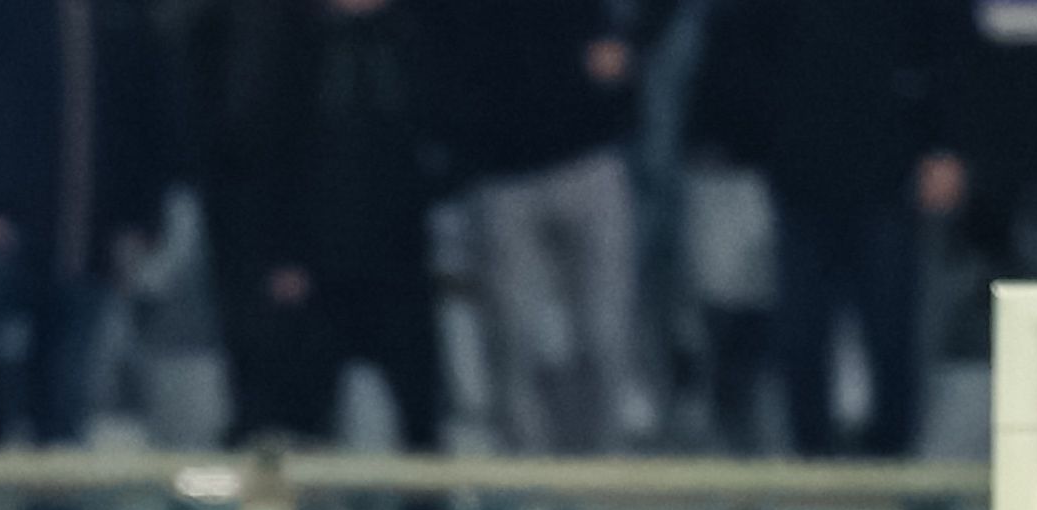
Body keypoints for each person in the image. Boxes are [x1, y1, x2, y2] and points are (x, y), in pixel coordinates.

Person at [0, 0, 179, 447]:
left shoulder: (124, 17)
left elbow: (153, 119)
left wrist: (142, 216)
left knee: (63, 400)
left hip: (90, 245)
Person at [685, 0, 966, 457]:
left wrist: (944, 143)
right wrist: (755, 138)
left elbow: (947, 40)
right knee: (801, 334)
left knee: (891, 331)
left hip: (886, 167)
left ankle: (893, 466)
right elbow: (741, 42)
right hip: (800, 168)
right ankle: (811, 469)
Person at [198, 0, 448, 451]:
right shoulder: (288, 43)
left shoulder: (410, 37)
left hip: (399, 260)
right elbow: (260, 154)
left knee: (421, 414)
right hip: (314, 267)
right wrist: (279, 254)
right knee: (302, 419)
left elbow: (440, 136)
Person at [432, 0, 658, 452]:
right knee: (514, 346)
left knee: (606, 337)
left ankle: (597, 481)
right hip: (500, 173)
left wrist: (630, 43)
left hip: (589, 154)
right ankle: (532, 488)